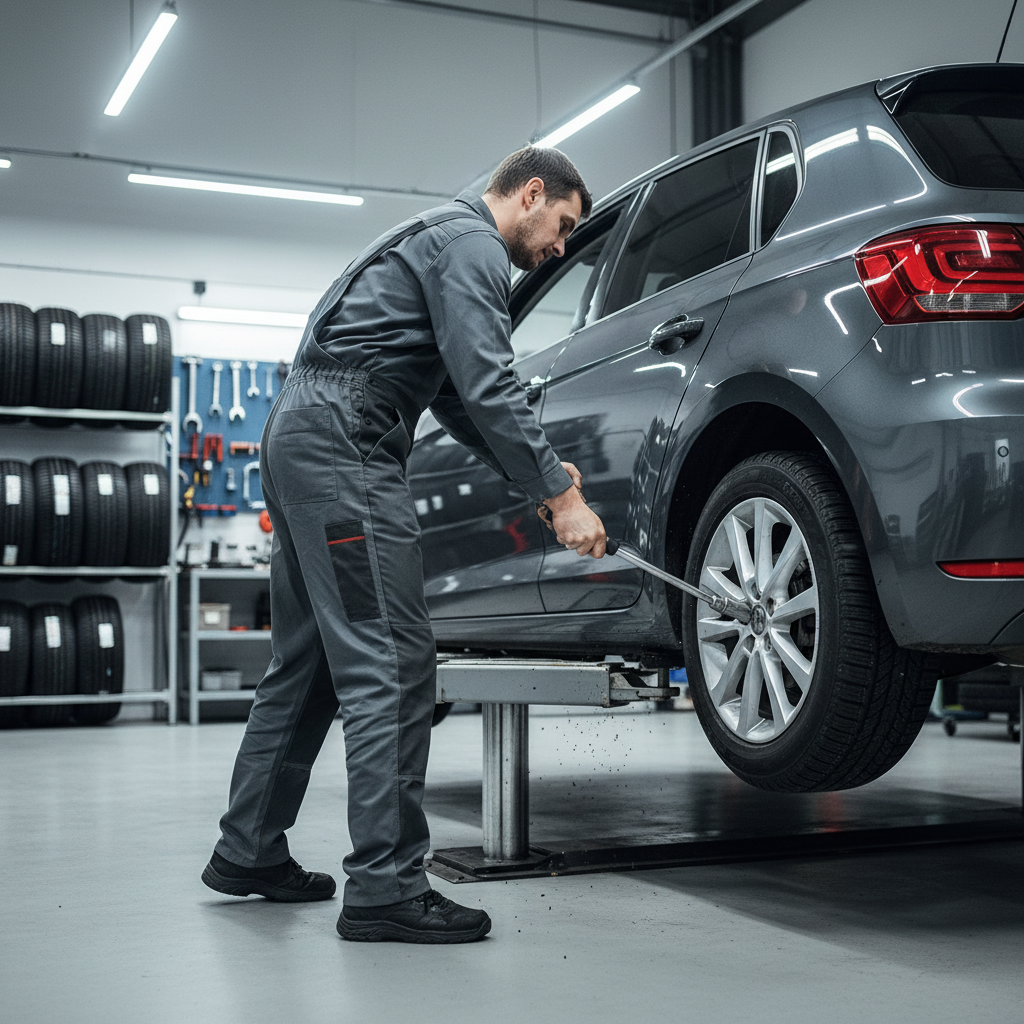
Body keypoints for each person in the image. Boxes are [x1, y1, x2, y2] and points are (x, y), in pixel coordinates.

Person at [201, 146, 607, 944]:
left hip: (302, 435)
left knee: (313, 658)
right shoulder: (474, 249)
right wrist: (561, 496)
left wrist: (543, 480)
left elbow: (459, 399)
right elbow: (491, 384)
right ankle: (386, 888)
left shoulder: (434, 235)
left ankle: (248, 847)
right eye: (562, 226)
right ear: (531, 194)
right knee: (390, 657)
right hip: (345, 445)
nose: (559, 247)